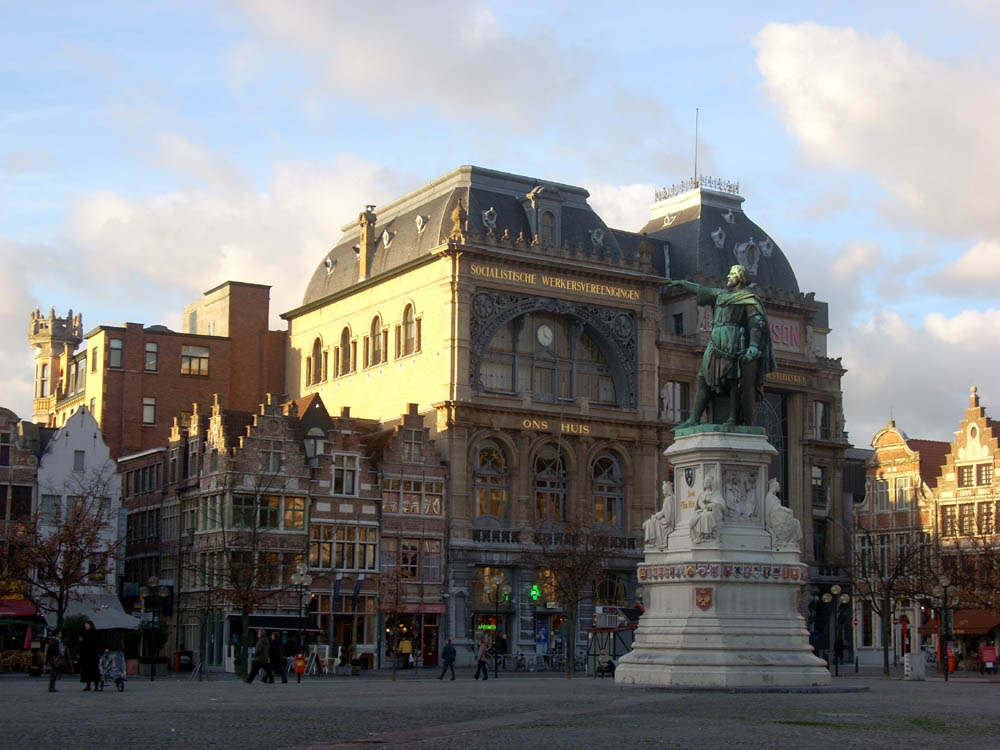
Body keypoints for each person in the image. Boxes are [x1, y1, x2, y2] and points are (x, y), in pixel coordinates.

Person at [666, 264, 776, 429]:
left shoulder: (748, 298)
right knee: (703, 378)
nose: (728, 277)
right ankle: (694, 418)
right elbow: (701, 289)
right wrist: (682, 283)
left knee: (733, 381)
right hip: (716, 341)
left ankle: (732, 418)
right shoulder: (721, 295)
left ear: (740, 277)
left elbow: (756, 322)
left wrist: (753, 345)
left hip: (733, 341)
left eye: (732, 274)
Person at [78, 619, 101, 691]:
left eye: (87, 625)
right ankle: (88, 685)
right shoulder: (84, 633)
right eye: (85, 625)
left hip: (93, 654)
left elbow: (98, 642)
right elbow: (80, 643)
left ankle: (96, 685)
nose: (86, 626)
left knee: (94, 670)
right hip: (86, 655)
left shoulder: (95, 633)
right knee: (86, 670)